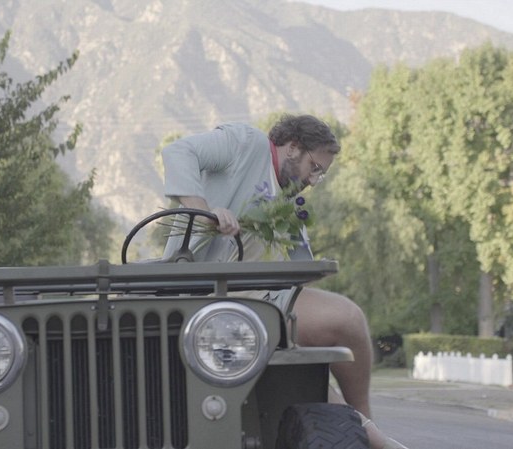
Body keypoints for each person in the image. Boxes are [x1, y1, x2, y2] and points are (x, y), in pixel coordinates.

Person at [161, 114, 406, 449]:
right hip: (201, 295)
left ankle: (365, 428)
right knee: (343, 320)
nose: (314, 180)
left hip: (260, 300)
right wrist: (205, 212)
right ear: (292, 147)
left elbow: (299, 265)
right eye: (314, 167)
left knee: (321, 352)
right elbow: (177, 152)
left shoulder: (289, 202)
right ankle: (372, 435)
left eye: (321, 174)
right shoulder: (244, 143)